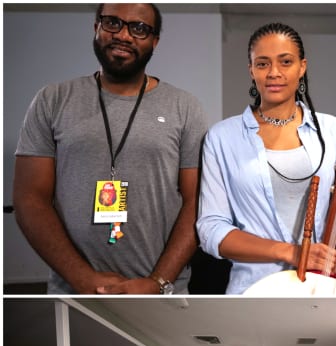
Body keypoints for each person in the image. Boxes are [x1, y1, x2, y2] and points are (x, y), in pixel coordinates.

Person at [13, 3, 207, 295]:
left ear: (155, 41)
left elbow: (197, 203)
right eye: (113, 23)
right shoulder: (52, 100)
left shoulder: (185, 107)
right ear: (96, 28)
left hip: (163, 295)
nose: (124, 35)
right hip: (74, 293)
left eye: (139, 28)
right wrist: (82, 278)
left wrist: (158, 282)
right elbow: (30, 199)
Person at [197, 22, 336, 294]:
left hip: (326, 294)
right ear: (251, 70)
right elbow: (210, 229)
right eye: (263, 64)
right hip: (255, 293)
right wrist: (292, 252)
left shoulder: (335, 131)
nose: (274, 73)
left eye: (285, 62)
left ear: (302, 67)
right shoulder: (222, 137)